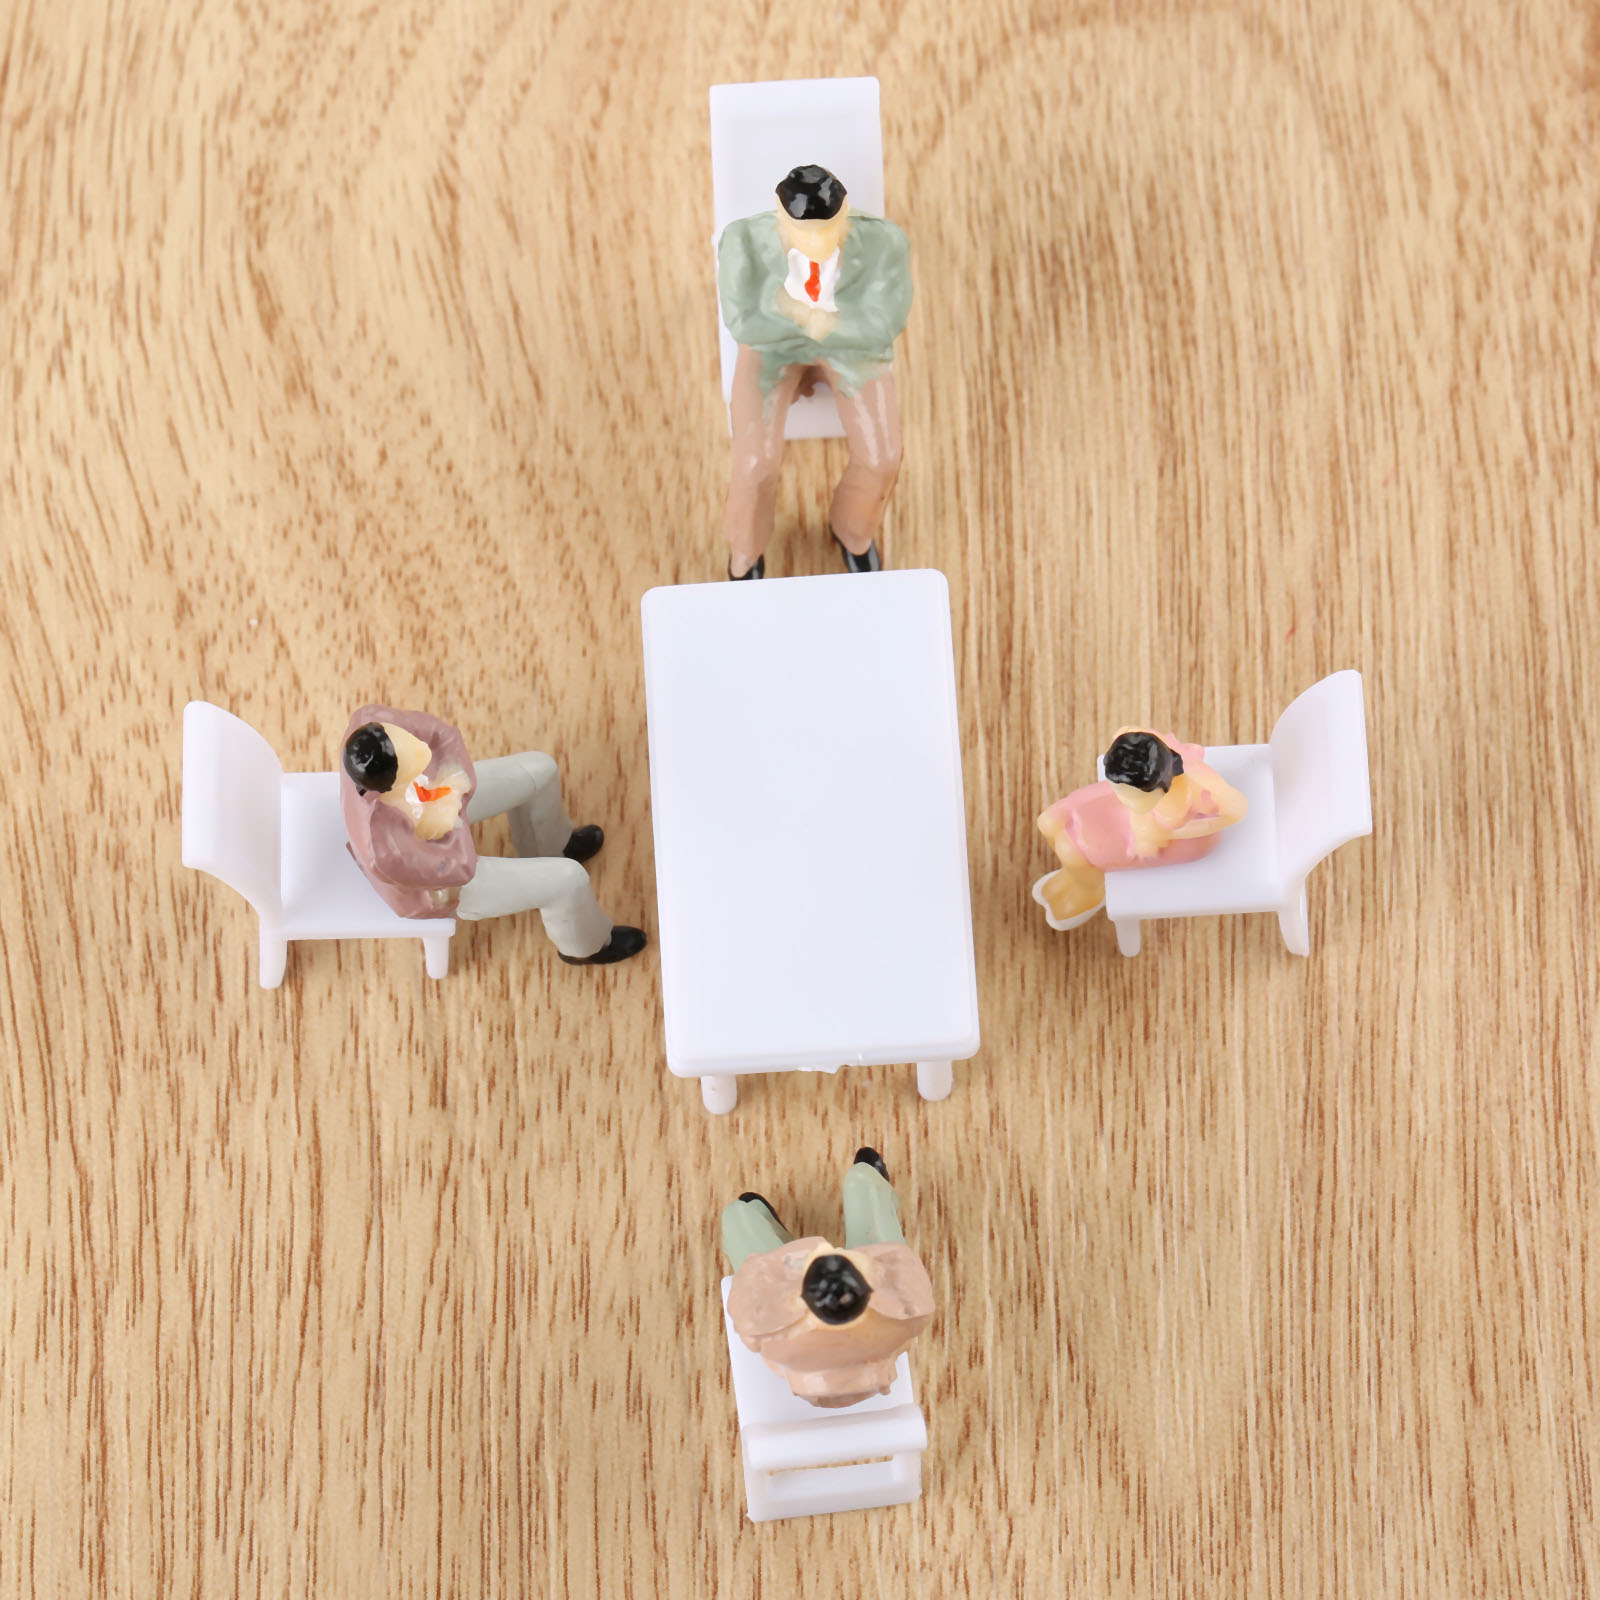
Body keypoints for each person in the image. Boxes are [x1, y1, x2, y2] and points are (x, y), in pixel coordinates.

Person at [717, 164, 912, 580]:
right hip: (771, 351)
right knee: (755, 463)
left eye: (828, 231)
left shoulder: (885, 244)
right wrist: (805, 317)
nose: (817, 245)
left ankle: (853, 531)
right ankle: (745, 554)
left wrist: (825, 324)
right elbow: (743, 322)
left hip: (853, 351)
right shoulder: (742, 242)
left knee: (882, 456)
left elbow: (885, 322)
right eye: (803, 233)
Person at [338, 705, 647, 965]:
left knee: (541, 769)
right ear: (391, 785)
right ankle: (587, 945)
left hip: (440, 794)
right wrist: (448, 812)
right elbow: (461, 868)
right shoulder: (386, 850)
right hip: (439, 887)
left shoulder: (372, 719)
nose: (422, 749)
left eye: (411, 742)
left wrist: (453, 784)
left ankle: (552, 844)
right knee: (570, 879)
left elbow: (443, 734)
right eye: (414, 760)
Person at [722, 1148, 934, 1408]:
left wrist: (792, 1261)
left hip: (788, 1289)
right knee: (863, 1184)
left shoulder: (771, 1326)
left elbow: (750, 1288)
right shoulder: (902, 1310)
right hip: (874, 1334)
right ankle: (869, 1179)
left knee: (739, 1216)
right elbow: (902, 1263)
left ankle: (763, 1218)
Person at [1033, 729, 1248, 929]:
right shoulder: (1141, 752)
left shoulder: (1188, 799)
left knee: (1072, 850)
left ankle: (1089, 889)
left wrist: (1179, 830)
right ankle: (1073, 876)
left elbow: (1236, 809)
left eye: (1132, 796)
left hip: (1162, 836)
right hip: (1136, 806)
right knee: (1049, 820)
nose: (1124, 797)